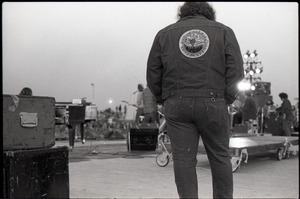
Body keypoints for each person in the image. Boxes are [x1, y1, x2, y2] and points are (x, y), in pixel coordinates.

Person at [147, 2, 244, 198]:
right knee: (220, 158)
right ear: (209, 14)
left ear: (182, 14)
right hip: (214, 102)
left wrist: (164, 99)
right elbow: (236, 71)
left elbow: (153, 73)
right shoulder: (224, 31)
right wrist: (226, 98)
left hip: (177, 104)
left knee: (183, 161)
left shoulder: (164, 34)